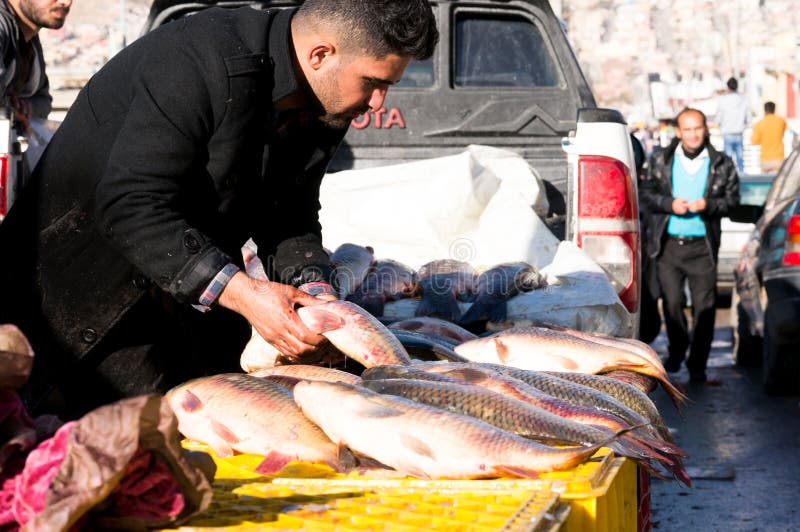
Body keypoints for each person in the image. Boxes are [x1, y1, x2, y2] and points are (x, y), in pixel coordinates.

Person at [0, 0, 438, 418]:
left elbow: (289, 211)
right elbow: (130, 203)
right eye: (373, 82)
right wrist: (245, 294)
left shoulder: (327, 100)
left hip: (180, 303)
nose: (378, 103)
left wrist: (318, 296)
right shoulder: (199, 59)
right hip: (69, 301)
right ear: (321, 54)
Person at [640, 108, 739, 383]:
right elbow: (645, 194)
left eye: (698, 128)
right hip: (669, 246)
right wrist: (669, 204)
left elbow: (733, 200)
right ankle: (677, 348)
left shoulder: (721, 163)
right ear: (679, 132)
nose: (693, 134)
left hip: (703, 248)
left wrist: (710, 204)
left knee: (704, 308)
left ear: (705, 129)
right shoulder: (661, 159)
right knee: (672, 303)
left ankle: (698, 365)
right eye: (688, 129)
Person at [0, 0, 71, 132]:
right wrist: (9, 111)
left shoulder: (30, 38)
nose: (66, 2)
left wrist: (22, 109)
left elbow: (43, 101)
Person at [714, 77, 750, 173]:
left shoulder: (723, 99)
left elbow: (718, 117)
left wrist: (719, 125)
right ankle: (741, 176)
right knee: (740, 159)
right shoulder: (744, 99)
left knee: (727, 159)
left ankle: (727, 176)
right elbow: (748, 118)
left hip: (727, 133)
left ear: (728, 87)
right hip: (739, 133)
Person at [750, 101, 787, 174]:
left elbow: (753, 141)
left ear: (765, 110)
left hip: (765, 159)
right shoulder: (781, 121)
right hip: (778, 158)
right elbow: (784, 132)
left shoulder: (759, 124)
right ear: (774, 110)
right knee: (778, 180)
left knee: (765, 180)